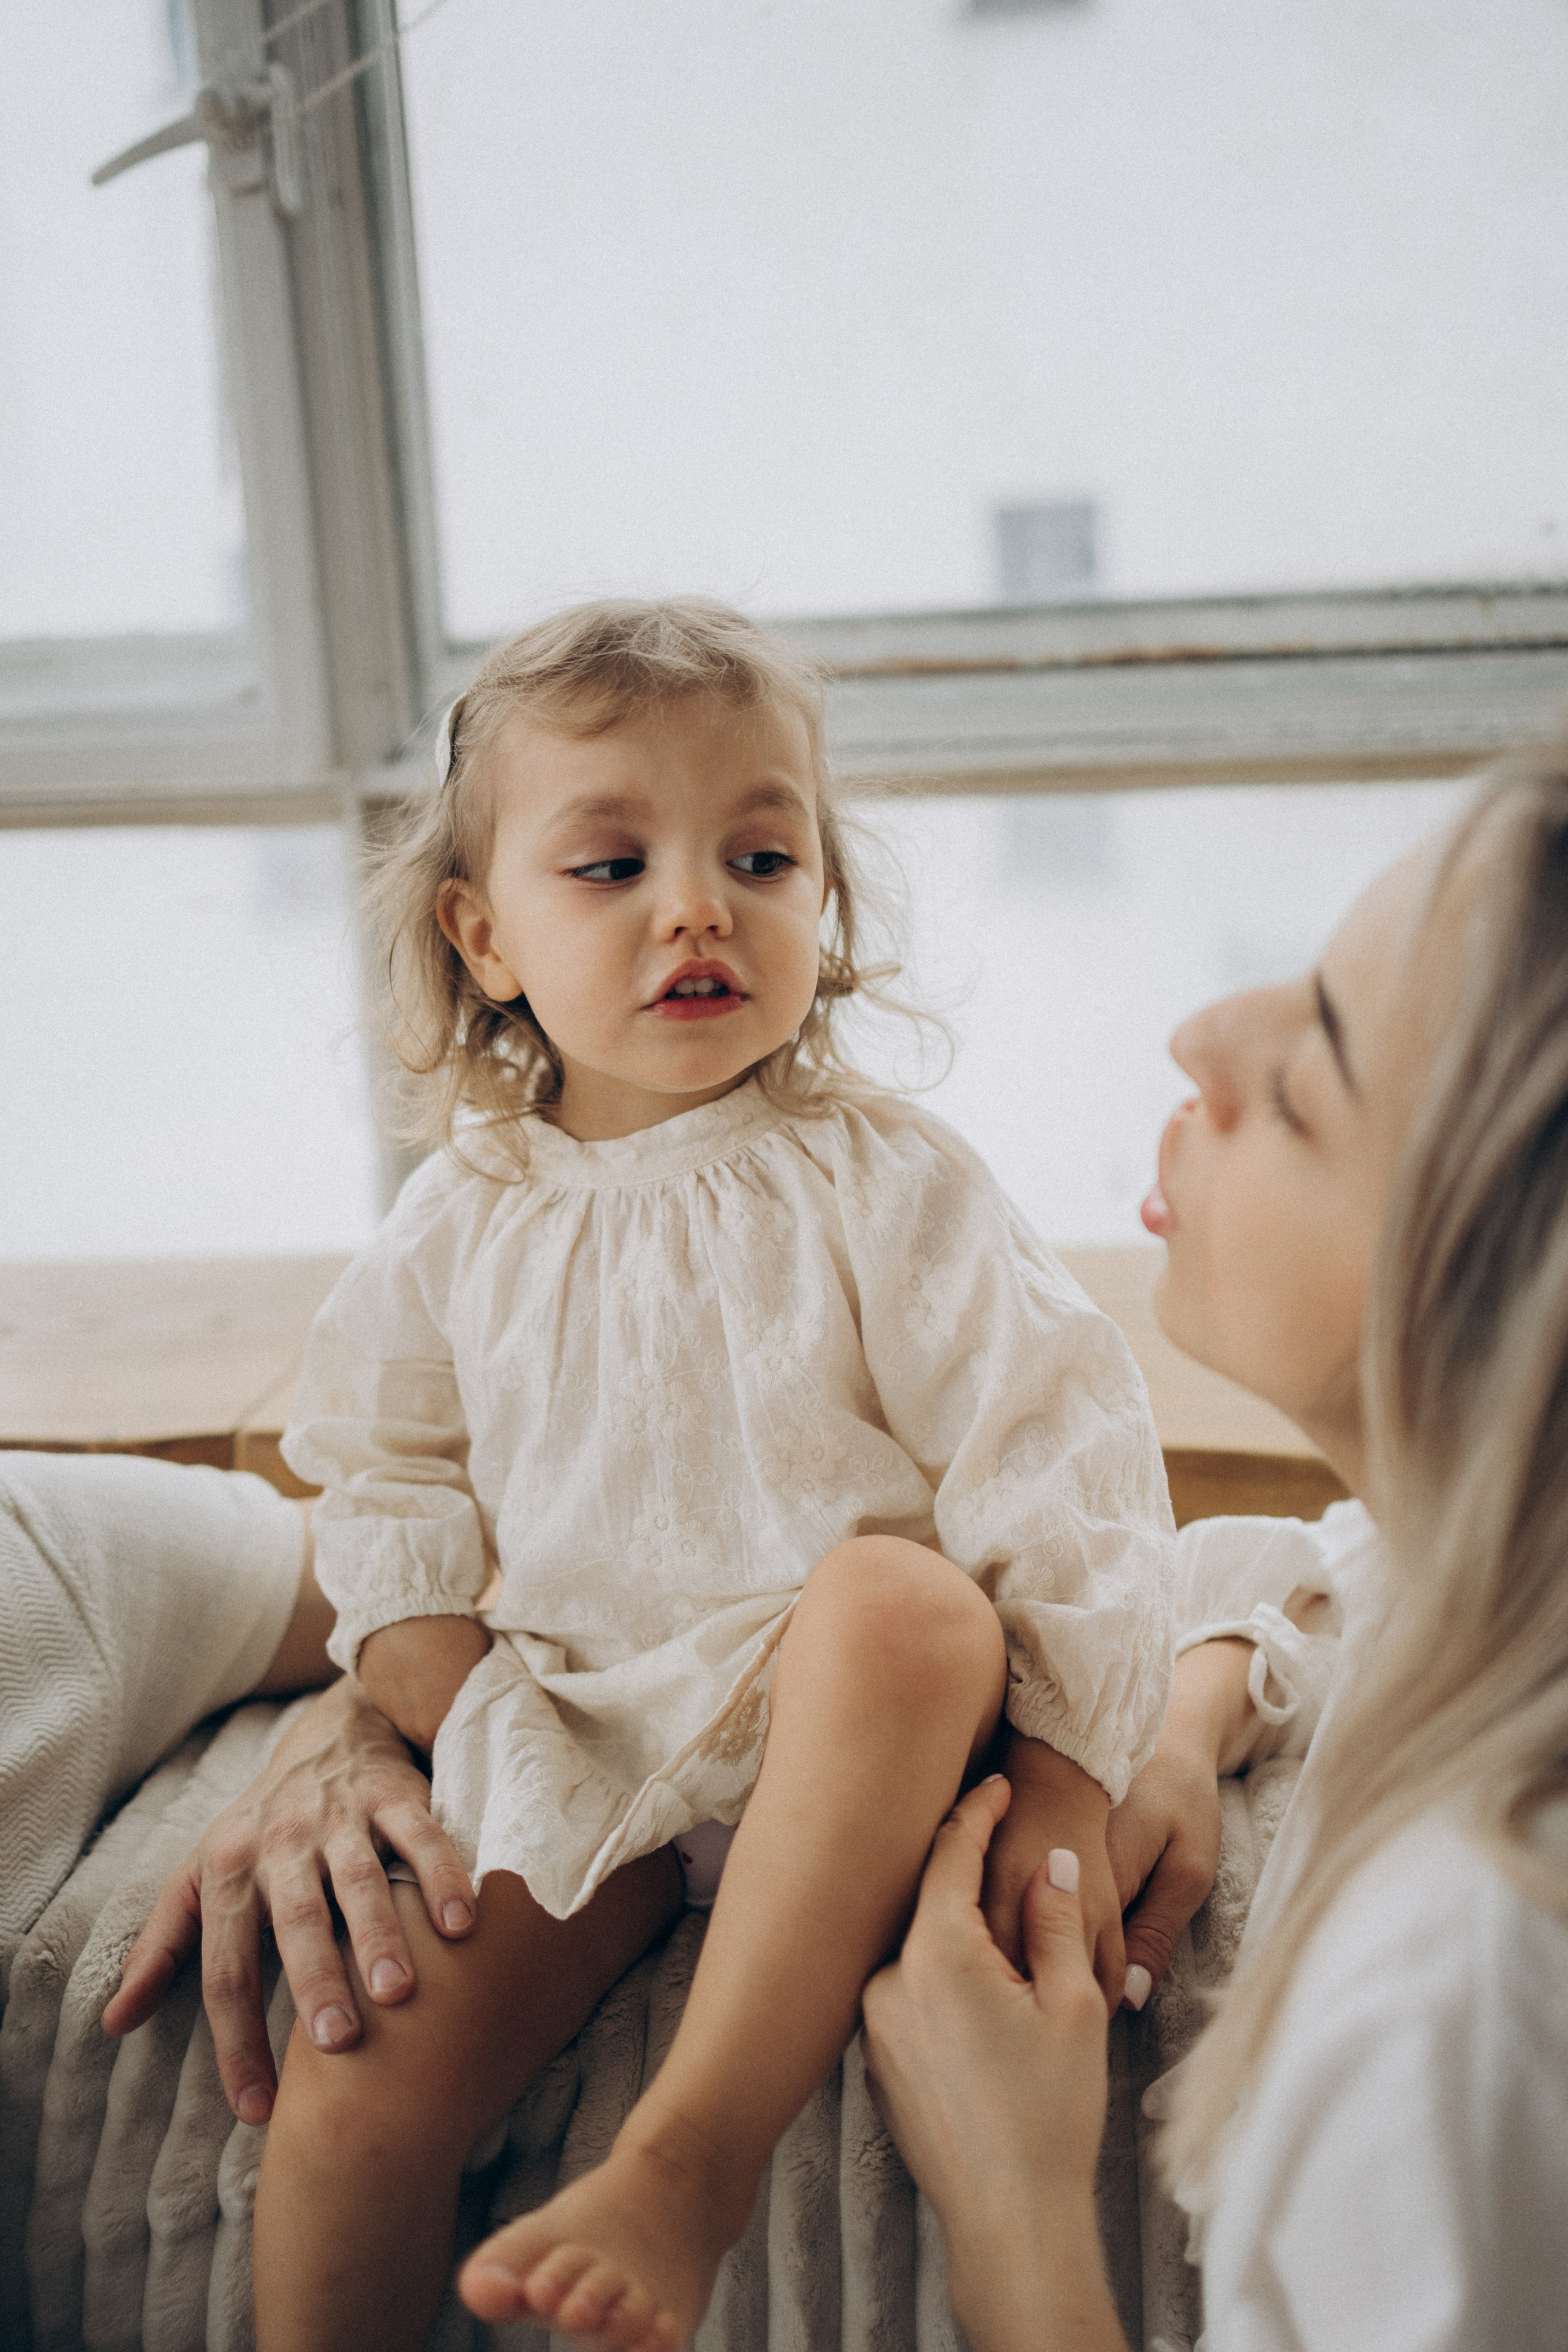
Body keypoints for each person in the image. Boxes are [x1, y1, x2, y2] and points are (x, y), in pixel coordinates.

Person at [235, 598, 1174, 2352]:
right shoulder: (465, 1214)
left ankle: (691, 2155)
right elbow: (376, 1463)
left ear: (823, 898)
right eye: (610, 866)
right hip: (589, 1729)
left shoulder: (882, 1179)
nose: (698, 905)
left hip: (855, 1739)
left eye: (762, 854)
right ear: (482, 933)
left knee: (900, 1598)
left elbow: (1061, 1447)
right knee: (353, 2075)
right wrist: (432, 1673)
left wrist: (1065, 1761)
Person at [861, 755, 1568, 2349]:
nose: (1203, 1037)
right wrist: (1198, 1713)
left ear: (1507, 1310)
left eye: (1313, 1082)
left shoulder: (1467, 1997)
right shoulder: (1494, 1580)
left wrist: (1014, 2200)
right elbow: (1344, 1566)